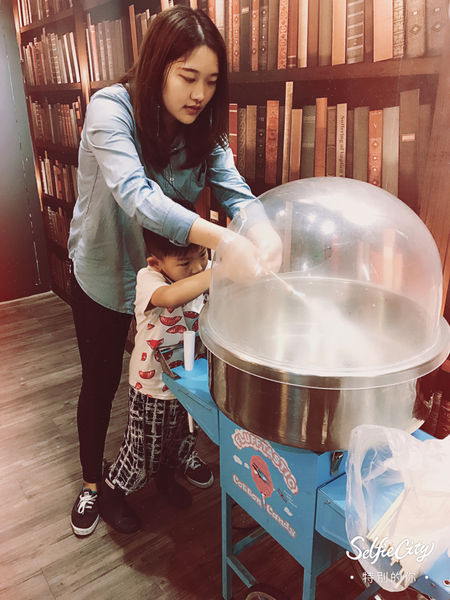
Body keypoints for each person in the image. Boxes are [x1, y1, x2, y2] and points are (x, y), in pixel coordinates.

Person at [68, 5, 281, 537]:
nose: (199, 94)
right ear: (156, 66)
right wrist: (225, 240)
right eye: (188, 77)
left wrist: (263, 232)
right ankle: (93, 484)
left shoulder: (204, 129)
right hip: (105, 272)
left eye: (211, 81)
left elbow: (237, 193)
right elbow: (138, 197)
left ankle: (164, 464)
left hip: (172, 279)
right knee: (101, 381)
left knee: (172, 375)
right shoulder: (109, 110)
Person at [100, 228, 212, 534]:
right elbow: (171, 297)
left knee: (180, 438)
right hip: (151, 387)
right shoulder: (149, 279)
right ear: (156, 263)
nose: (197, 268)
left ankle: (166, 478)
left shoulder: (203, 272)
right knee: (143, 450)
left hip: (189, 380)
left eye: (203, 255)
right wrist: (219, 272)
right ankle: (111, 492)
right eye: (185, 263)